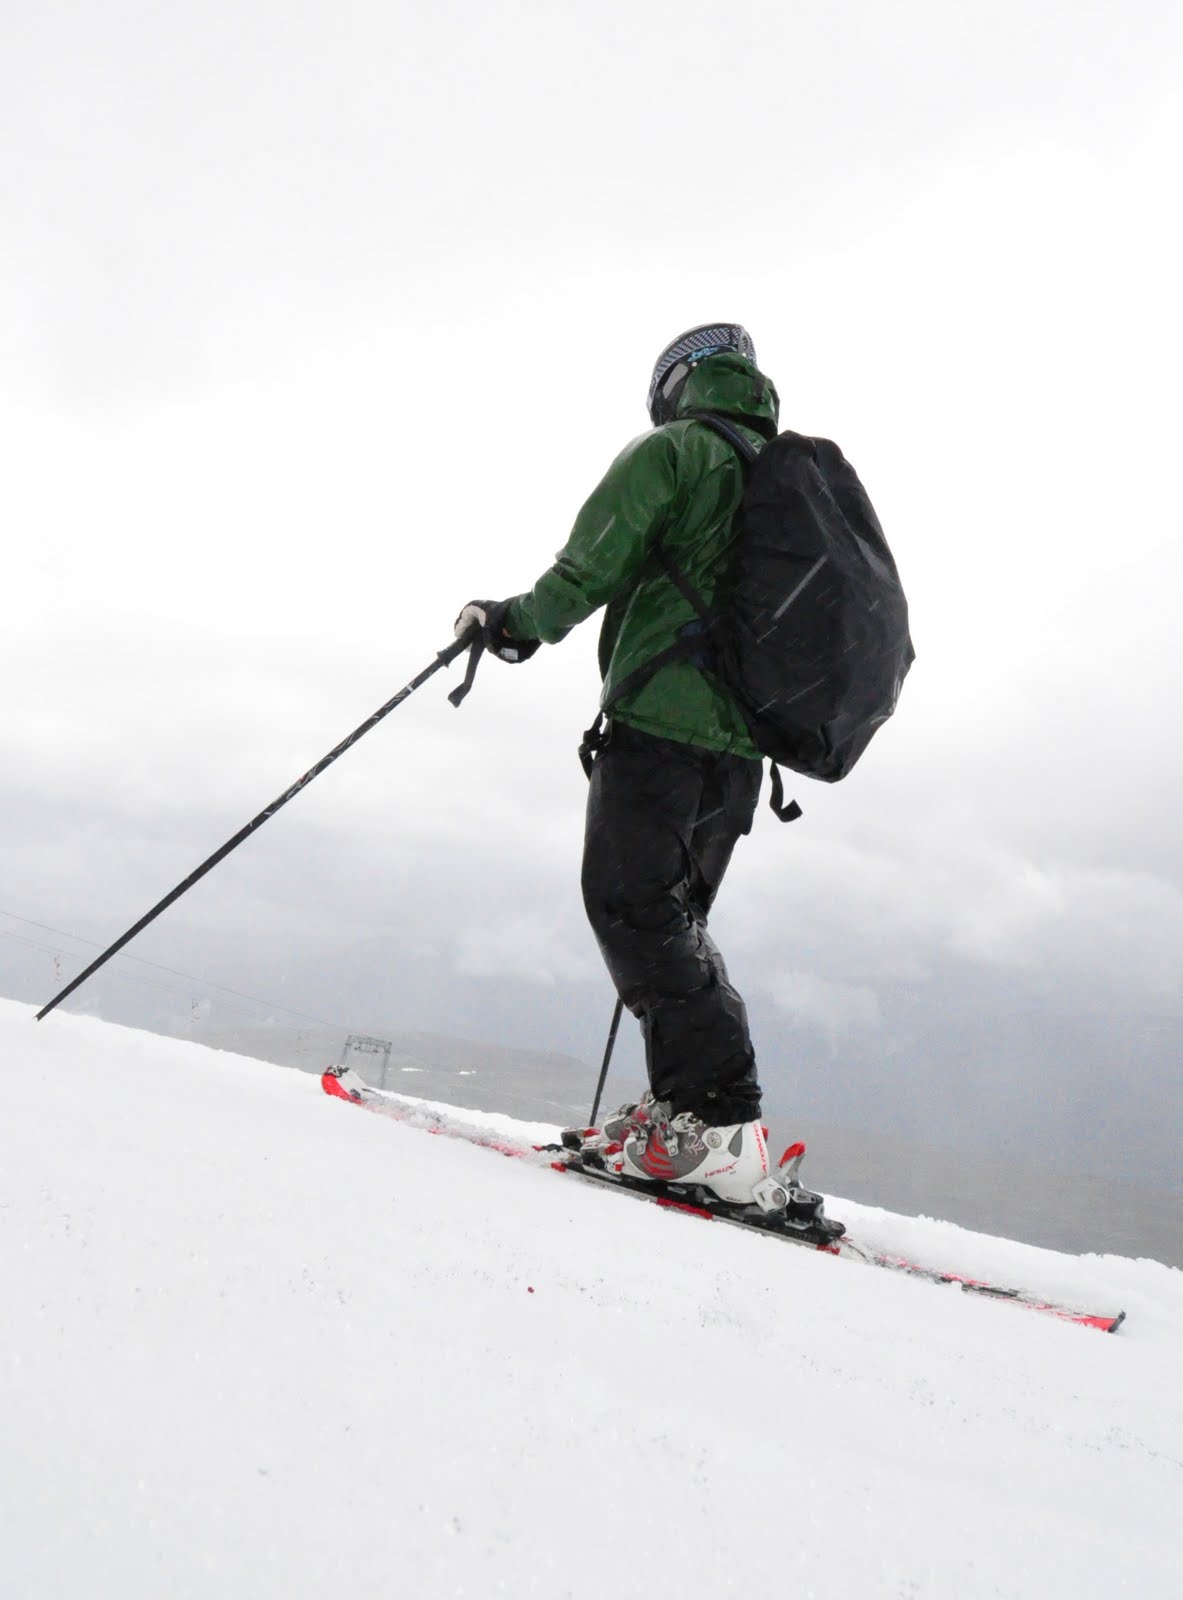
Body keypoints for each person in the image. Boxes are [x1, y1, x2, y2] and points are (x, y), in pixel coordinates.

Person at [456, 323, 783, 1207]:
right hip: (745, 750)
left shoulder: (676, 452)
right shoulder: (781, 474)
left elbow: (588, 566)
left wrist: (509, 621)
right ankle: (685, 1116)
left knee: (634, 911)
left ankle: (715, 1127)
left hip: (663, 723)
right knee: (673, 923)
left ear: (674, 384)